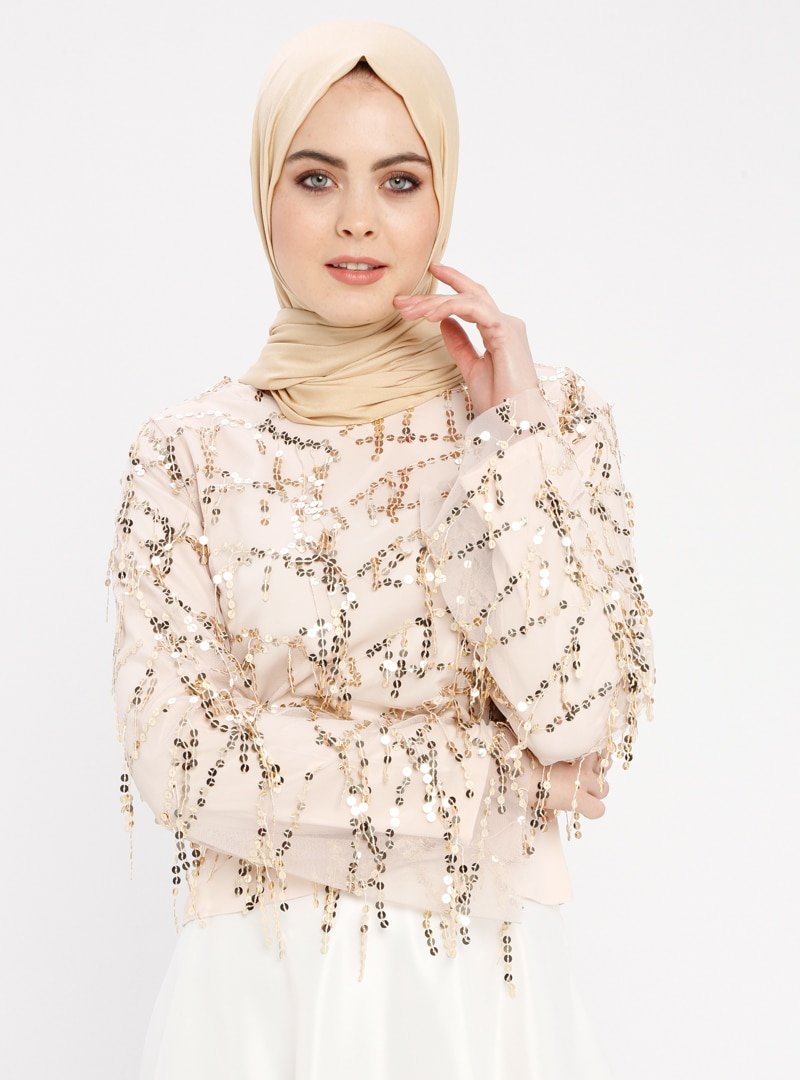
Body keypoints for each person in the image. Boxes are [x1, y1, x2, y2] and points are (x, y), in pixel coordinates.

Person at [106, 19, 656, 1079]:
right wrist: (496, 786)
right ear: (263, 193)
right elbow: (180, 761)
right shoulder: (188, 452)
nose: (357, 218)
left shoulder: (544, 422)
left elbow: (578, 713)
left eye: (399, 181)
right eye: (316, 178)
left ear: (441, 198)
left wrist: (507, 437)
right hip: (256, 994)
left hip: (479, 999)